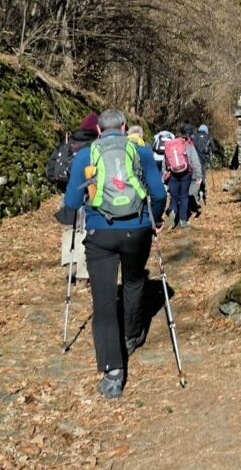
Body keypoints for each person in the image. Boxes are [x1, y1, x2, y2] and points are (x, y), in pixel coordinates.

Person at [56, 108, 166, 399]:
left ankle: (113, 373)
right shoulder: (140, 151)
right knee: (133, 280)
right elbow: (158, 193)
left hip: (100, 233)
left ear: (99, 131)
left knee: (104, 301)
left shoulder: (86, 154)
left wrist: (70, 213)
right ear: (125, 127)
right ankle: (131, 336)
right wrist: (155, 219)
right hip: (137, 229)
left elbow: (71, 201)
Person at [58, 112, 99, 284]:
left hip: (68, 191)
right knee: (85, 232)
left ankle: (69, 266)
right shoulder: (94, 149)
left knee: (70, 229)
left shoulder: (72, 143)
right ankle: (83, 274)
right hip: (87, 194)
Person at [163, 124, 202, 229]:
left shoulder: (170, 145)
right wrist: (199, 175)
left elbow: (165, 162)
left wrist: (165, 175)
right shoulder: (188, 144)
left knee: (174, 197)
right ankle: (183, 220)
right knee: (184, 196)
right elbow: (195, 161)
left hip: (172, 174)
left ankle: (172, 215)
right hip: (186, 174)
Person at [191, 124, 215, 214]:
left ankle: (195, 195)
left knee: (196, 177)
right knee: (202, 177)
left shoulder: (193, 137)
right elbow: (213, 148)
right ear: (206, 130)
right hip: (204, 161)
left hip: (194, 161)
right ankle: (201, 193)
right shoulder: (209, 137)